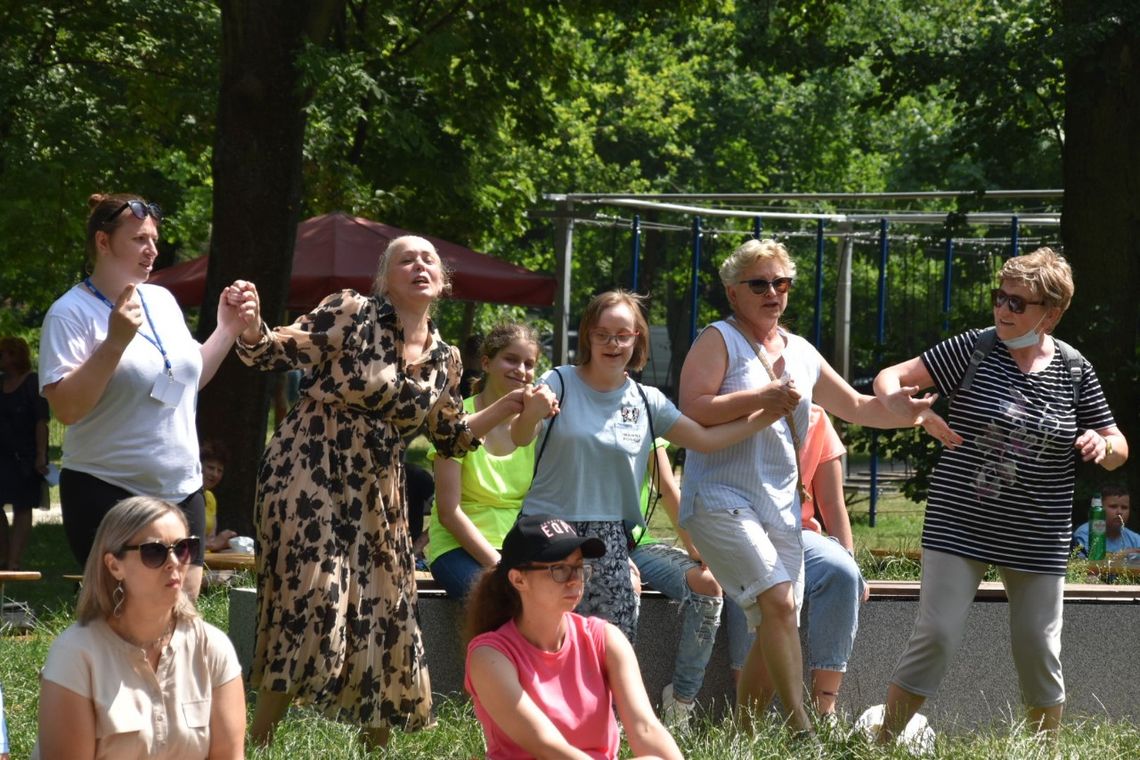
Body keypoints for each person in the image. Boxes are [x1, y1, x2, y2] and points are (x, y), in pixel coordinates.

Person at [235, 235, 536, 749]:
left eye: (429, 259)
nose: (419, 265)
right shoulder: (352, 312)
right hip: (309, 468)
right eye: (406, 258)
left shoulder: (446, 357)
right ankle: (255, 739)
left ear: (442, 281)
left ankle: (378, 745)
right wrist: (249, 325)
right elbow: (271, 351)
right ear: (385, 276)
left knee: (386, 606)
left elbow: (452, 436)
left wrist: (506, 408)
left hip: (377, 486)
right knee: (316, 595)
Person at [871, 246, 1128, 740]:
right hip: (959, 519)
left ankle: (1042, 750)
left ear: (1050, 314)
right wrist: (912, 409)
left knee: (1037, 646)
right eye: (1000, 298)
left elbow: (1118, 446)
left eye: (1018, 304)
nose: (1003, 311)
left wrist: (1105, 443)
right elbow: (891, 378)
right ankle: (882, 744)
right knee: (938, 635)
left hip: (1037, 531)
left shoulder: (1075, 370)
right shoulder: (975, 348)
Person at [677, 238, 932, 734]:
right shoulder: (718, 339)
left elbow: (858, 407)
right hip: (719, 500)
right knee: (776, 602)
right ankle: (802, 729)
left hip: (778, 508)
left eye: (781, 282)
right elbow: (694, 408)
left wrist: (906, 414)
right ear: (733, 292)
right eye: (759, 283)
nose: (772, 292)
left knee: (780, 618)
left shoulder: (801, 351)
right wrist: (762, 396)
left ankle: (745, 737)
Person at [512, 289, 785, 643]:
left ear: (637, 337)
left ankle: (607, 702)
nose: (613, 343)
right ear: (588, 336)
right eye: (602, 334)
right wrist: (532, 412)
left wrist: (767, 415)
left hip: (609, 537)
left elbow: (703, 439)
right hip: (549, 528)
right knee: (543, 640)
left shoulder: (646, 400)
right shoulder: (558, 382)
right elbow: (520, 437)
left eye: (623, 334)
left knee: (611, 645)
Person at [38, 193, 258, 598]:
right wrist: (114, 343)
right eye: (139, 239)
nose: (152, 249)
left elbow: (186, 380)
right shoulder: (69, 313)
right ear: (104, 243)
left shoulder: (162, 300)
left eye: (154, 239)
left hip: (182, 488)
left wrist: (227, 329)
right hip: (108, 489)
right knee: (124, 622)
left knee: (181, 615)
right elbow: (66, 409)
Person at [33, 496, 245, 759]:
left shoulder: (212, 647)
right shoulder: (76, 654)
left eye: (183, 548)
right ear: (114, 565)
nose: (174, 562)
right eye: (154, 551)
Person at [465, 513, 683, 760]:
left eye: (578, 567)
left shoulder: (606, 639)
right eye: (559, 569)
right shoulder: (490, 656)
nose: (574, 580)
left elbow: (646, 728)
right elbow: (547, 746)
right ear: (518, 579)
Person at [723, 404, 867, 718]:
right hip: (740, 528)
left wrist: (850, 558)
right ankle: (747, 710)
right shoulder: (736, 409)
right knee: (750, 579)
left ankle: (825, 708)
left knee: (842, 572)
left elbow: (831, 502)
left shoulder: (816, 418)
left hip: (798, 533)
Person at [427, 323, 541, 598]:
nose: (521, 370)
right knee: (502, 600)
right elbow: (448, 513)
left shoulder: (536, 424)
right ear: (487, 363)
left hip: (518, 547)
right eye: (511, 359)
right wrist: (499, 566)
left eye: (529, 363)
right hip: (457, 547)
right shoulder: (454, 420)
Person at [628, 440, 724, 727]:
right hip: (593, 544)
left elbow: (668, 488)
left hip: (639, 545)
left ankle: (680, 703)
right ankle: (618, 704)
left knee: (709, 584)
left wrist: (695, 547)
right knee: (624, 584)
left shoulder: (644, 412)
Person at [0, 336, 50, 570]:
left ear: (13, 355)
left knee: (22, 507)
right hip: (2, 456)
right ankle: (3, 556)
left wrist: (41, 455)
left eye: (3, 354)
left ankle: (13, 563)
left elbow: (42, 421)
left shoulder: (32, 382)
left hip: (26, 457)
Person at [1072, 484, 1139, 557]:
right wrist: (1120, 555)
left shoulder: (1134, 539)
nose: (1119, 512)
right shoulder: (1086, 533)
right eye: (1113, 506)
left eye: (1124, 507)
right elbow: (1084, 564)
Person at [199, 440, 237, 553]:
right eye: (210, 468)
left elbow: (211, 540)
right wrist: (214, 544)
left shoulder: (210, 498)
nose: (215, 474)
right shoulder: (185, 496)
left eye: (219, 470)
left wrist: (225, 541)